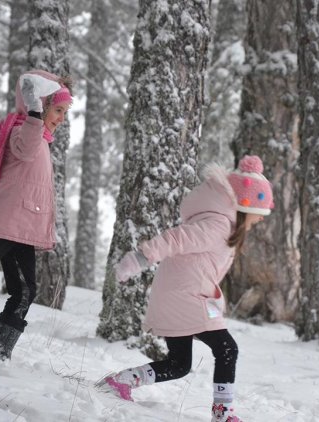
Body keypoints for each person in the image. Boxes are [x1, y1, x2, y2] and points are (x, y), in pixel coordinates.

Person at [98, 155, 274, 422]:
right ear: (244, 207)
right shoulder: (217, 225)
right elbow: (176, 239)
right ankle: (223, 414)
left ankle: (122, 381)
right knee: (227, 348)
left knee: (179, 365)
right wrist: (139, 260)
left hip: (184, 295)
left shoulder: (224, 226)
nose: (260, 221)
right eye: (259, 214)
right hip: (186, 297)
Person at [0, 69, 73, 360]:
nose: (62, 118)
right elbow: (24, 150)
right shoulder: (23, 129)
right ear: (39, 105)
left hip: (24, 228)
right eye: (58, 109)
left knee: (25, 292)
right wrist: (35, 111)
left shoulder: (42, 139)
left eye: (65, 111)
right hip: (5, 223)